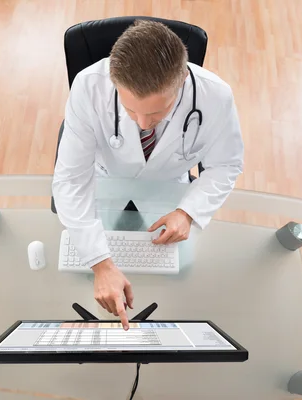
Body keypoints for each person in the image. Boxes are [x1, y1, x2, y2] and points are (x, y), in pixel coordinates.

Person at [53, 20, 244, 330]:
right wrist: (101, 265)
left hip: (170, 189)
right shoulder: (89, 86)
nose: (142, 124)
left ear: (182, 78)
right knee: (81, 279)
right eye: (130, 110)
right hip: (105, 181)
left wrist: (188, 212)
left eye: (156, 113)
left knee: (177, 280)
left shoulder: (216, 97)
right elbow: (72, 179)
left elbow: (226, 165)